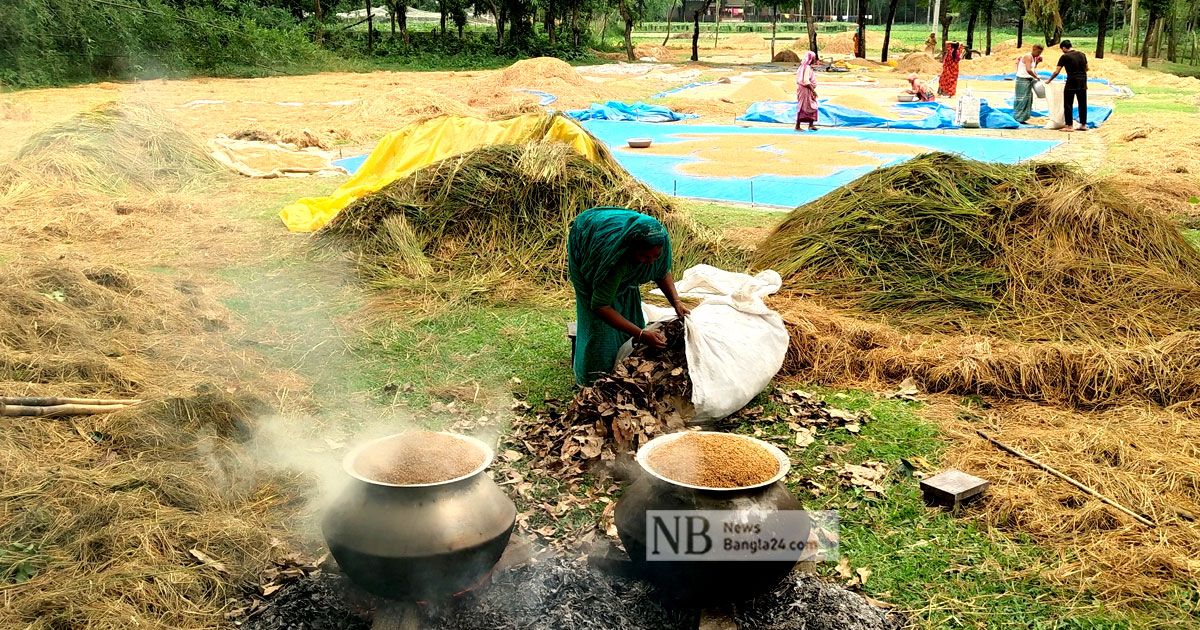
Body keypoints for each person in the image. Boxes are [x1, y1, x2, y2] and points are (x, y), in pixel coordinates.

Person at [567, 207, 689, 385]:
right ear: (631, 248)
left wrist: (676, 302)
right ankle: (594, 377)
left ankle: (624, 362)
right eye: (643, 256)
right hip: (586, 239)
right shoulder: (615, 259)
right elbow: (600, 306)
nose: (650, 261)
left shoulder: (659, 242)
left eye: (655, 256)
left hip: (621, 255)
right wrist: (640, 334)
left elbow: (661, 272)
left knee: (628, 305)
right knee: (599, 329)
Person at [1045, 40, 1089, 132]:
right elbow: (1087, 68)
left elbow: (1057, 71)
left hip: (1071, 81)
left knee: (1068, 103)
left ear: (1064, 48)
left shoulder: (1064, 57)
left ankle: (1069, 126)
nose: (1062, 51)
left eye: (1062, 49)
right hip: (1083, 81)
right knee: (1082, 103)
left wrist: (1049, 80)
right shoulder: (1082, 54)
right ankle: (1083, 124)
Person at [1012, 44, 1044, 124]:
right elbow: (1029, 70)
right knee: (1022, 99)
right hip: (1023, 80)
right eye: (1038, 52)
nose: (1039, 54)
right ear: (1034, 49)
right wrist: (1036, 77)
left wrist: (1037, 62)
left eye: (1040, 52)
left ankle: (1023, 118)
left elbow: (1032, 68)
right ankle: (1018, 117)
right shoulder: (1028, 57)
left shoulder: (1034, 58)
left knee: (1028, 99)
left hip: (1029, 80)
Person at [795, 50, 819, 132]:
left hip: (804, 89)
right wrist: (813, 90)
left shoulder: (803, 67)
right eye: (813, 58)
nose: (814, 59)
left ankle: (811, 125)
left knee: (811, 105)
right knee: (803, 106)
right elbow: (806, 81)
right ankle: (797, 126)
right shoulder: (807, 68)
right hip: (806, 89)